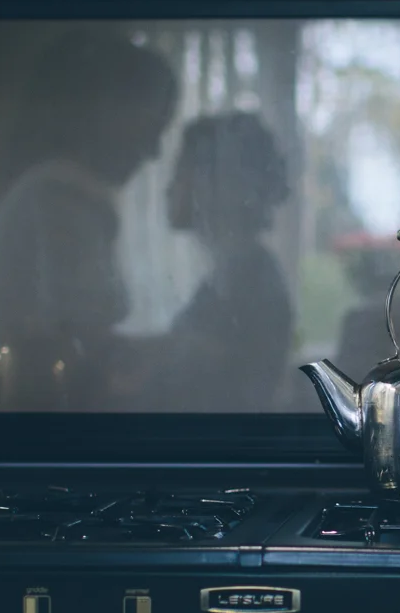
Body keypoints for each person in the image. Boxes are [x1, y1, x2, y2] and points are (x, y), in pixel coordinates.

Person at [0, 30, 178, 410]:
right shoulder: (62, 197)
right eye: (149, 126)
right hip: (42, 418)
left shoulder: (51, 190)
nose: (153, 151)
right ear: (105, 107)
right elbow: (85, 330)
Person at [121, 112, 296, 411]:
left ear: (214, 182)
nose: (168, 188)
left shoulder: (249, 281)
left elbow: (203, 378)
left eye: (179, 172)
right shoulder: (236, 276)